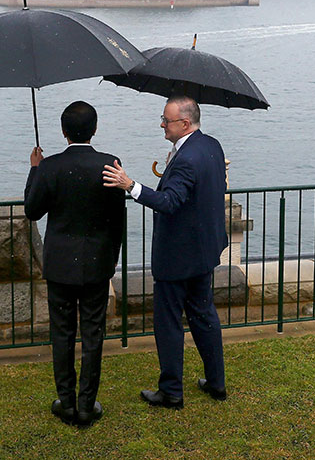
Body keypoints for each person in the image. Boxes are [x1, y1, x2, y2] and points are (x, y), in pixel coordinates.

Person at [102, 96, 227, 409]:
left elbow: (170, 202)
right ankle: (216, 383)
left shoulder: (186, 158)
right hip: (204, 250)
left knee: (169, 322)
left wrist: (130, 185)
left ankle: (171, 392)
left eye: (166, 120)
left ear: (184, 123)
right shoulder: (211, 146)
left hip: (178, 256)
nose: (161, 124)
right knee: (203, 315)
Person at [24, 101, 126, 427]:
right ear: (94, 130)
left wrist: (36, 169)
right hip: (97, 263)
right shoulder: (110, 164)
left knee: (63, 333)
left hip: (60, 265)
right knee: (93, 333)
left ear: (63, 131)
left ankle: (66, 402)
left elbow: (32, 210)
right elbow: (117, 218)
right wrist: (112, 257)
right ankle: (87, 404)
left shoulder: (51, 167)